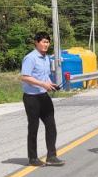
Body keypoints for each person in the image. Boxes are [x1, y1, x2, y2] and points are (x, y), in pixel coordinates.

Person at [20, 32, 65, 167]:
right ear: (36, 42)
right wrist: (42, 84)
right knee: (33, 128)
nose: (46, 44)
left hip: (44, 96)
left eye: (47, 42)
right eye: (43, 42)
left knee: (51, 126)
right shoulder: (30, 58)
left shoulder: (47, 58)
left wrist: (50, 84)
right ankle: (33, 158)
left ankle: (51, 156)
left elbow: (45, 77)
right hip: (31, 97)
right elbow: (25, 77)